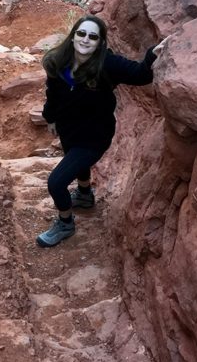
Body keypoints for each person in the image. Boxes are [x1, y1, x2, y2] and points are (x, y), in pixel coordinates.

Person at [37, 14, 162, 247]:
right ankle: (84, 196)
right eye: (81, 33)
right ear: (73, 36)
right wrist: (50, 119)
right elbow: (52, 95)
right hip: (68, 129)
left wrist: (153, 52)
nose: (86, 40)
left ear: (100, 43)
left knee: (56, 183)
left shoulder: (107, 64)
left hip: (95, 135)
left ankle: (65, 224)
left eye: (93, 37)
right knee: (76, 163)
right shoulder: (58, 61)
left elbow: (141, 74)